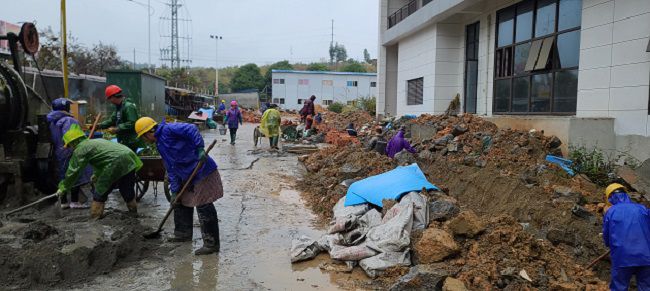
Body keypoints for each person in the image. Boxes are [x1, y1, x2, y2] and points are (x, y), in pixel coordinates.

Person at [135, 117, 223, 255]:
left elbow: (192, 128)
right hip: (185, 174)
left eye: (143, 137)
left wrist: (200, 148)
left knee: (203, 204)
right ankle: (182, 234)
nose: (144, 140)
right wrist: (175, 191)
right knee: (180, 201)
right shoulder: (160, 145)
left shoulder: (169, 129)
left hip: (201, 169)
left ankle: (211, 244)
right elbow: (171, 167)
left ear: (149, 132)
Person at [55, 124, 142, 218]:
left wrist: (63, 187)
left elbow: (73, 172)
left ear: (73, 142)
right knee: (127, 189)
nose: (70, 148)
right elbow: (103, 159)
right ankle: (133, 213)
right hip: (129, 157)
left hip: (115, 162)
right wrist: (96, 174)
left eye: (69, 146)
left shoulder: (80, 149)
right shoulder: (94, 142)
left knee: (100, 192)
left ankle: (95, 218)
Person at [602, 183, 650, 291]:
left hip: (622, 257)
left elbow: (606, 234)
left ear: (611, 197)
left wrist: (609, 244)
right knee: (646, 287)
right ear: (626, 194)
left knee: (619, 287)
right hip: (646, 257)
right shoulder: (642, 209)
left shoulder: (611, 211)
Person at [47, 98, 91, 209]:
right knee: (74, 174)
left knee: (62, 176)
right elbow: (73, 138)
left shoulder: (52, 121)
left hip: (58, 152)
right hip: (69, 151)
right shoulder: (69, 120)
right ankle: (75, 201)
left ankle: (63, 202)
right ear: (66, 108)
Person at [98, 85, 142, 152]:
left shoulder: (128, 106)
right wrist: (99, 125)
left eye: (109, 99)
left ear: (113, 97)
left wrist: (117, 128)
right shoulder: (119, 107)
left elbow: (132, 122)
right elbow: (112, 120)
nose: (110, 101)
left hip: (131, 141)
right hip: (124, 140)